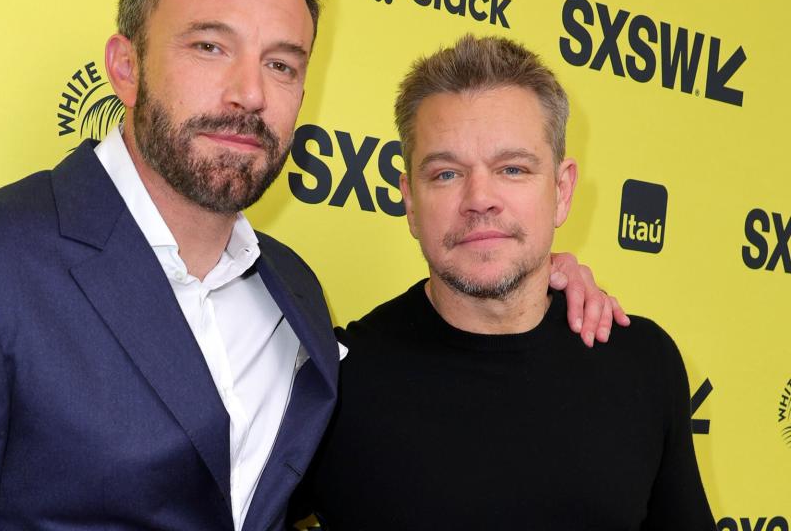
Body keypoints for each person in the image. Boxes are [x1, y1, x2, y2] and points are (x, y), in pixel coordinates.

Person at [0, 0, 624, 531]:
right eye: (211, 47)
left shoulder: (296, 297)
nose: (249, 92)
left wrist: (531, 283)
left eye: (280, 63)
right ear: (126, 66)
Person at [301, 34, 715, 530]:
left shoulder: (643, 363)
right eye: (447, 174)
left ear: (561, 191)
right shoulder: (336, 384)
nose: (480, 198)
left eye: (512, 169)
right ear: (410, 201)